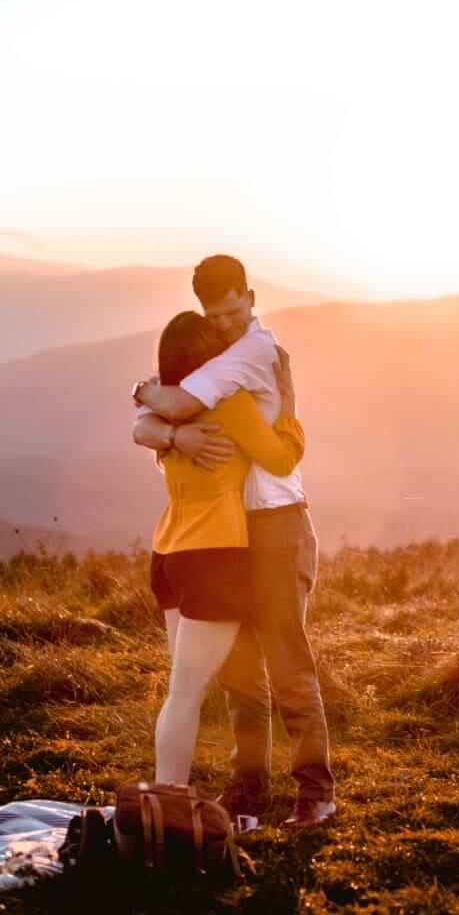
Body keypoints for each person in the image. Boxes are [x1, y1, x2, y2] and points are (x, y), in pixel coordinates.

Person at [133, 256, 335, 829]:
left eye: (233, 310)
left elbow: (278, 455)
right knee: (241, 677)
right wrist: (162, 421)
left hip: (274, 524)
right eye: (214, 316)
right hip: (230, 537)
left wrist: (290, 414)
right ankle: (249, 787)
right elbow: (153, 418)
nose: (226, 323)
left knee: (285, 662)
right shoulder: (219, 363)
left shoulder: (250, 357)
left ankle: (315, 793)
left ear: (250, 295)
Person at [149, 310, 305, 788]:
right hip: (212, 556)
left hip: (167, 552)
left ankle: (171, 792)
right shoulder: (231, 404)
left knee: (183, 689)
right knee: (186, 692)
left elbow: (145, 428)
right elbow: (280, 458)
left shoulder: (161, 414)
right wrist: (290, 411)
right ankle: (169, 797)